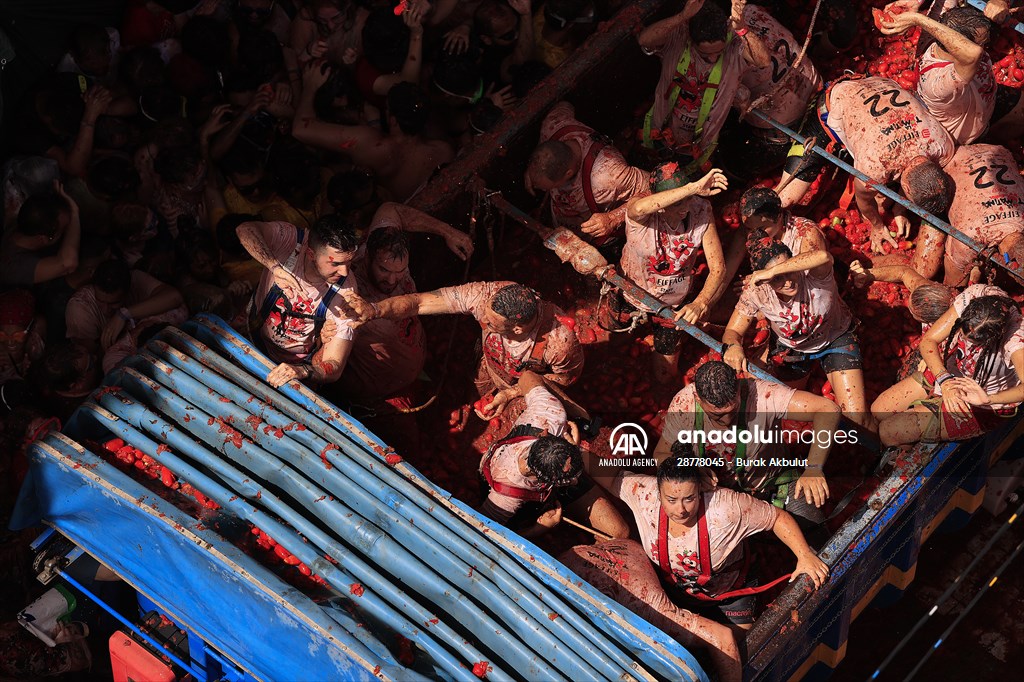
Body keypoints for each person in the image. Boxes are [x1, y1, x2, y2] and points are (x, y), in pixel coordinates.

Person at [602, 453, 828, 630]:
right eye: (671, 500)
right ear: (659, 493)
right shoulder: (644, 494)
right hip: (674, 591)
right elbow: (609, 475)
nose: (680, 510)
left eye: (689, 499)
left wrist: (804, 555)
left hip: (730, 593)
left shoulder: (725, 507)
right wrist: (570, 449)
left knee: (741, 646)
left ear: (700, 490)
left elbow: (777, 518)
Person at [337, 280, 582, 418]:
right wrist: (376, 310)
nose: (483, 321)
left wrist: (512, 394)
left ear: (517, 330)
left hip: (525, 387)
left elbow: (563, 379)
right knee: (477, 386)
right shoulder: (486, 296)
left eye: (491, 324)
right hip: (491, 363)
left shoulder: (559, 343)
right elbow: (419, 302)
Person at [777, 76, 956, 253]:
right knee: (785, 199)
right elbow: (863, 200)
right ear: (907, 188)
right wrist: (877, 227)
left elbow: (921, 175)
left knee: (881, 201)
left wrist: (900, 207)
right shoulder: (877, 165)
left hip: (877, 82)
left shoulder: (940, 143)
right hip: (833, 103)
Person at [654, 360, 841, 526]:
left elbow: (827, 408)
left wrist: (814, 467)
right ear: (698, 400)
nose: (727, 421)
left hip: (772, 484)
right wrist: (692, 471)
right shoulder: (683, 405)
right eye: (717, 415)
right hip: (716, 494)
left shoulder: (762, 395)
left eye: (733, 411)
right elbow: (661, 455)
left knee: (813, 525)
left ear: (739, 391)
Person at [722, 233, 872, 431]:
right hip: (792, 347)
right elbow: (733, 330)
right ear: (764, 280)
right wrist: (733, 346)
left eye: (788, 270)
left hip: (836, 338)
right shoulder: (757, 292)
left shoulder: (814, 274)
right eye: (777, 279)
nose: (788, 282)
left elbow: (824, 257)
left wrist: (773, 272)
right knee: (786, 405)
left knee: (857, 419)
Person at [609, 165, 727, 384]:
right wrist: (693, 187)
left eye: (689, 199)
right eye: (677, 202)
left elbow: (718, 268)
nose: (685, 207)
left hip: (673, 306)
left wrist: (700, 303)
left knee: (665, 375)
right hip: (629, 294)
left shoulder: (700, 210)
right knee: (614, 345)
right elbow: (639, 208)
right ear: (661, 204)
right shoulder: (642, 213)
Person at [477, 369, 628, 539]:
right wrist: (539, 528)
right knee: (619, 533)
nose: (576, 480)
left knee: (619, 533)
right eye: (570, 480)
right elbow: (483, 535)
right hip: (513, 490)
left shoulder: (549, 417)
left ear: (545, 433)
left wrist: (509, 393)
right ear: (547, 482)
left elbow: (528, 376)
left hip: (552, 468)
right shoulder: (505, 498)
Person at [873, 289, 1024, 444]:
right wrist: (945, 381)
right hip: (950, 372)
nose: (964, 339)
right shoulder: (977, 296)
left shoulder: (1016, 340)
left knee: (888, 432)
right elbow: (928, 341)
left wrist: (988, 399)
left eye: (973, 342)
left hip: (983, 403)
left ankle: (907, 447)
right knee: (877, 411)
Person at [637, 0, 769, 175]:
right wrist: (682, 17)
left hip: (696, 152)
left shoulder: (734, 49)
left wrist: (741, 27)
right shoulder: (678, 38)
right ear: (691, 39)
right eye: (705, 54)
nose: (713, 59)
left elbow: (763, 61)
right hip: (656, 136)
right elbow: (644, 40)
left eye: (718, 53)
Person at [294, 65, 454, 202]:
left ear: (392, 120)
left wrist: (310, 87)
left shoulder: (370, 145)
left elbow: (300, 130)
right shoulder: (444, 151)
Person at [237, 214, 361, 388]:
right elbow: (245, 229)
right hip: (251, 338)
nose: (345, 272)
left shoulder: (346, 292)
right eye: (336, 264)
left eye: (349, 262)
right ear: (310, 253)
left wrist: (302, 371)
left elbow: (335, 364)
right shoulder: (290, 241)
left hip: (294, 368)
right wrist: (274, 267)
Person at [524, 101, 650, 246]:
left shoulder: (608, 175)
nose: (537, 187)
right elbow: (565, 104)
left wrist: (613, 218)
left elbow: (654, 186)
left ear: (568, 173)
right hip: (563, 230)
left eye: (545, 187)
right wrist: (532, 173)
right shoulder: (552, 126)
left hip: (598, 242)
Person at [880, 6, 995, 145]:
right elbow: (973, 54)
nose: (985, 47)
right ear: (959, 46)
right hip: (968, 135)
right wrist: (917, 19)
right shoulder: (938, 83)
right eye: (982, 44)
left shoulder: (936, 42)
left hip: (979, 106)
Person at [911, 144, 1024, 284]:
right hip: (946, 162)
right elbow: (953, 282)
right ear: (1008, 259)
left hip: (995, 149)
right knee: (924, 271)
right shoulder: (972, 237)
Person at [717, 186, 829, 315]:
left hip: (809, 301)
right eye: (748, 228)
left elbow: (809, 276)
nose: (754, 233)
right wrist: (702, 302)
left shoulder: (806, 234)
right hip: (775, 293)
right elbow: (725, 272)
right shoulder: (750, 230)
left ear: (779, 217)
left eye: (762, 227)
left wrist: (766, 276)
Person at [64, 258, 187, 372]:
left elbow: (174, 298)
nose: (106, 310)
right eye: (101, 301)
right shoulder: (80, 308)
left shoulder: (135, 278)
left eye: (114, 303)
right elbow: (90, 361)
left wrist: (123, 314)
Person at [0, 183, 81, 287]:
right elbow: (68, 263)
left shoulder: (20, 223)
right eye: (65, 229)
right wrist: (75, 213)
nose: (69, 230)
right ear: (44, 239)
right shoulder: (15, 267)